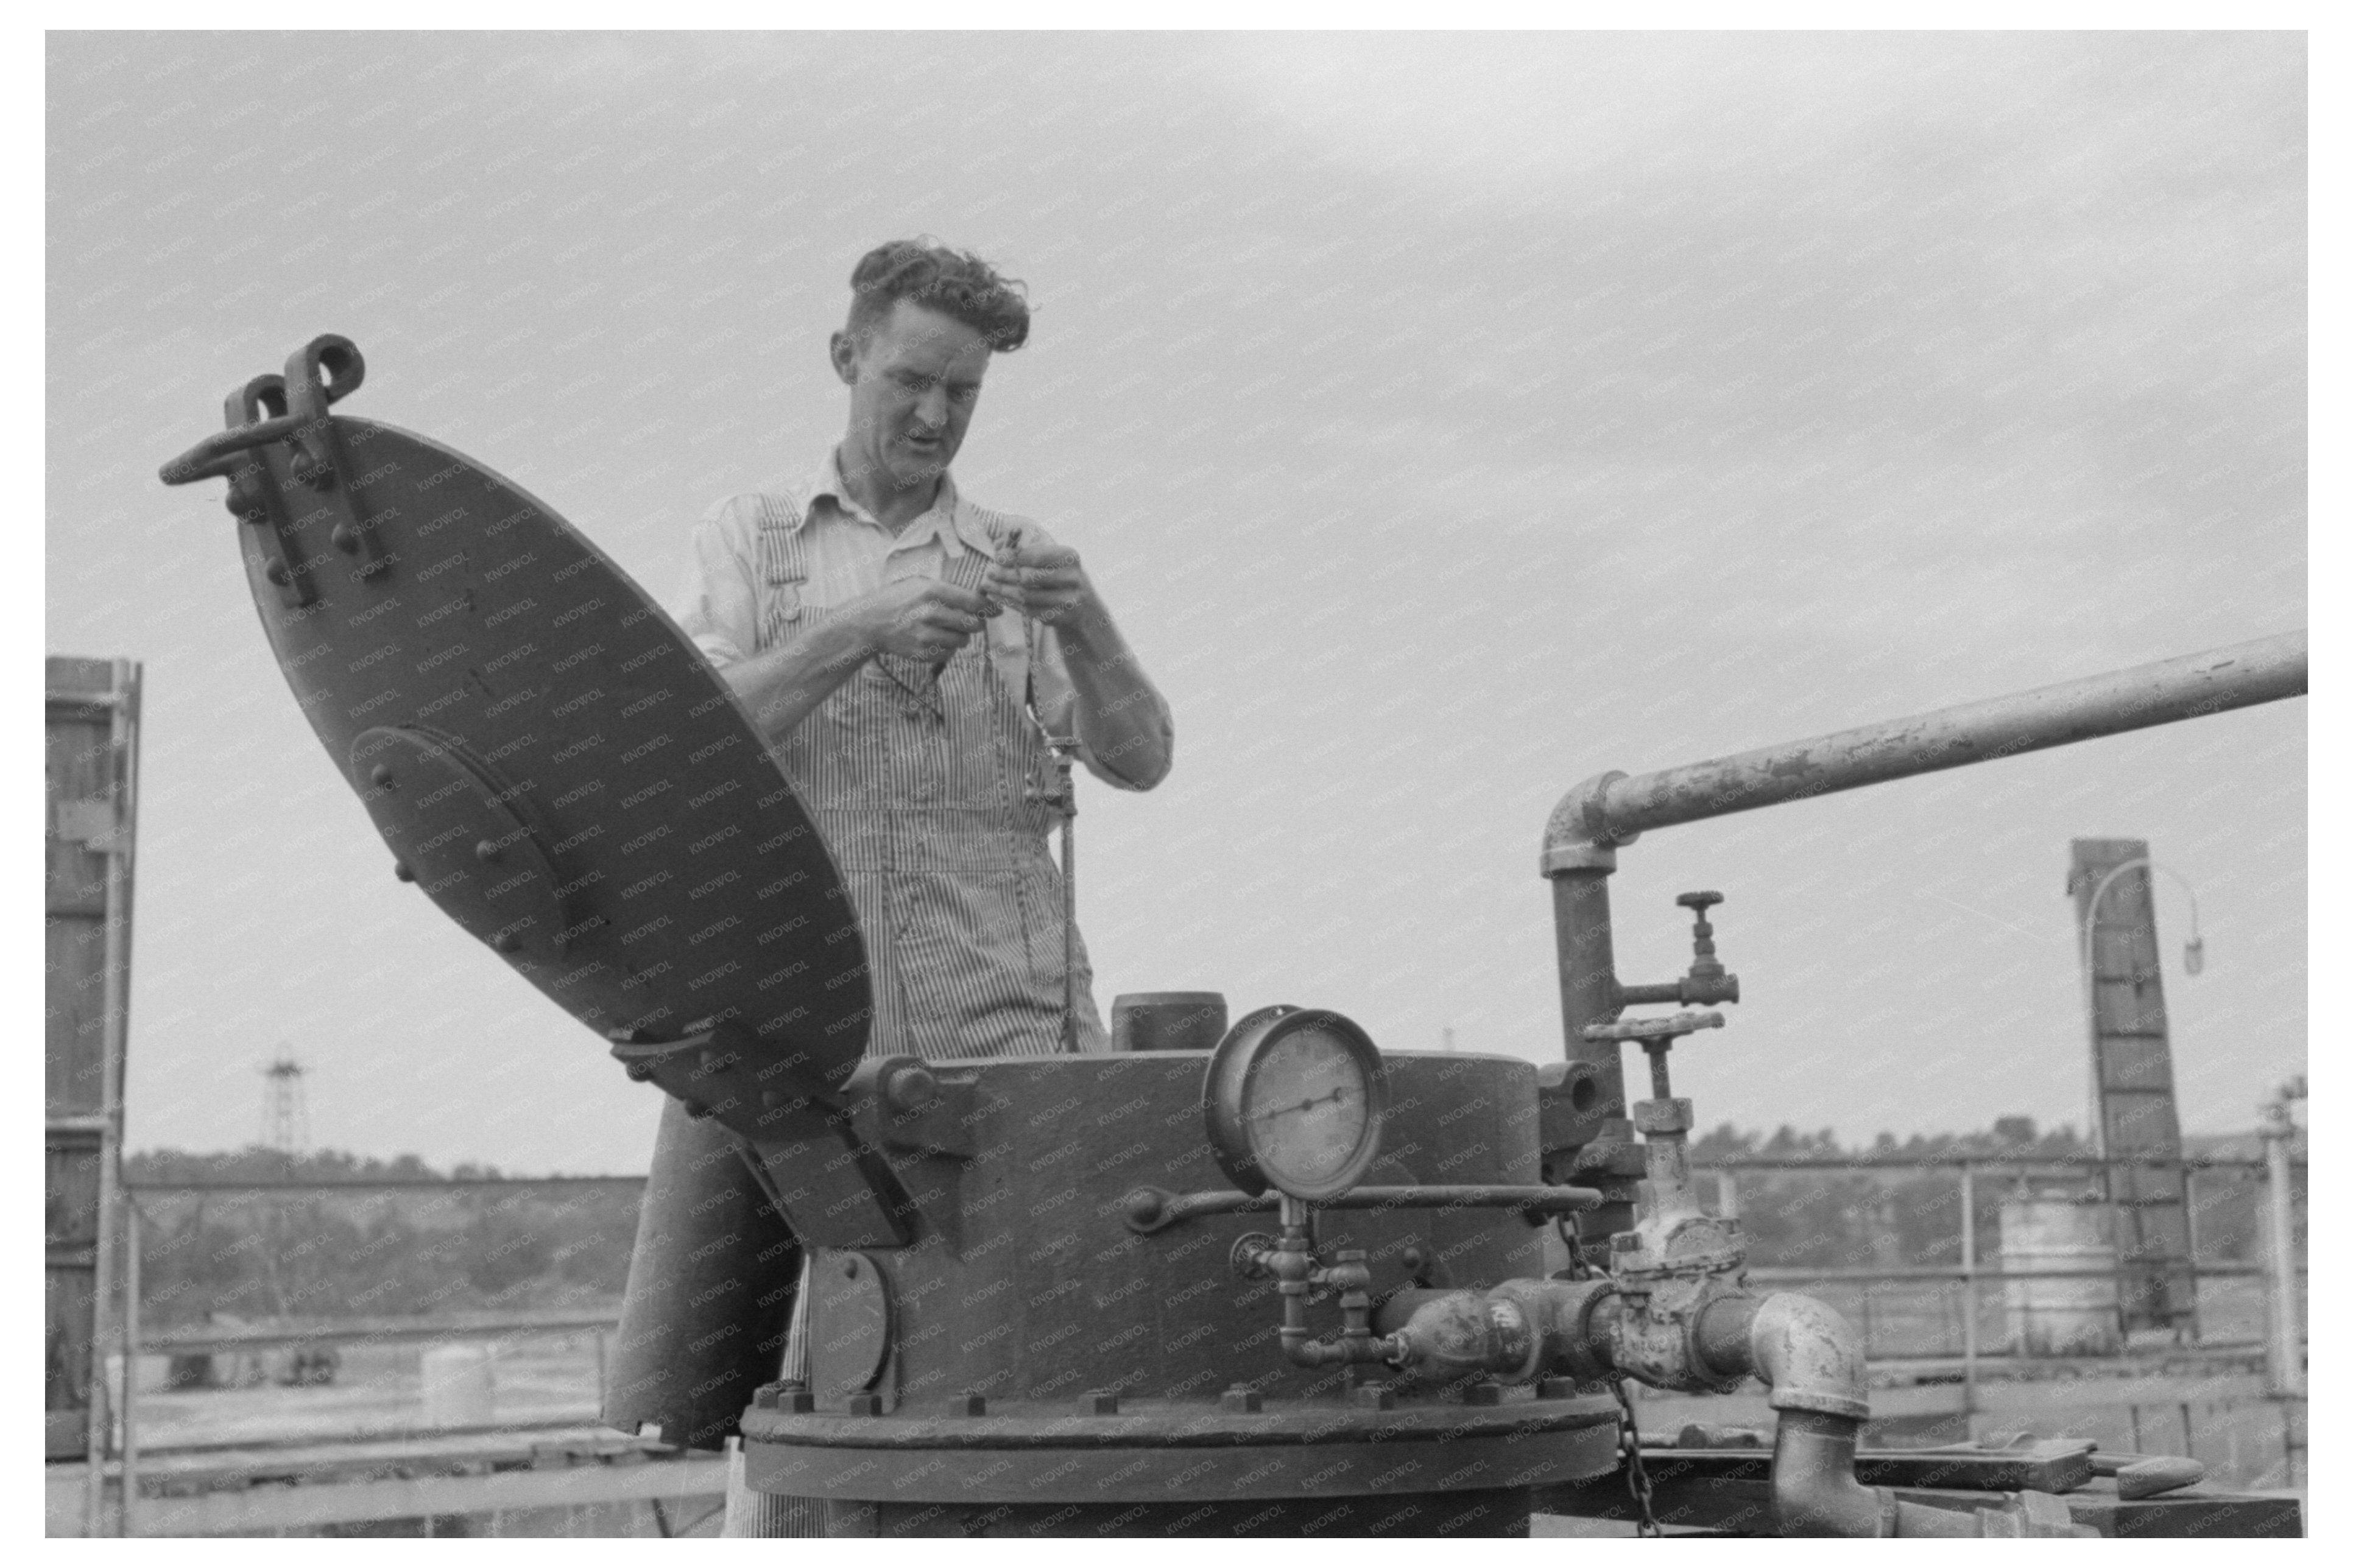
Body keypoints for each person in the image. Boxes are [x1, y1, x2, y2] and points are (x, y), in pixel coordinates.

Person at [670, 239, 1172, 1063]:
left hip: (1010, 1027)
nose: (935, 418)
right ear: (846, 358)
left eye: (963, 393)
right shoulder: (746, 539)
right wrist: (862, 628)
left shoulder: (1018, 554)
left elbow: (1143, 760)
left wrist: (1088, 623)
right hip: (811, 1029)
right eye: (911, 381)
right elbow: (694, 739)